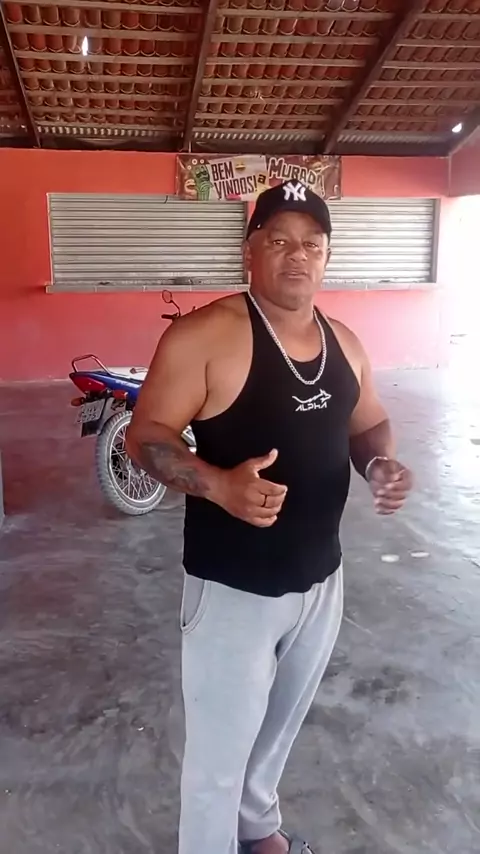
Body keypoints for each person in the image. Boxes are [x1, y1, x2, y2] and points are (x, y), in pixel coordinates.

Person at [126, 180, 413, 854]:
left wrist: (380, 463)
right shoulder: (205, 336)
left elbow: (368, 422)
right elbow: (146, 436)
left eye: (312, 244)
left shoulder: (345, 342)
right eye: (279, 240)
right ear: (249, 250)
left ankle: (256, 829)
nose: (296, 255)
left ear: (327, 256)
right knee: (218, 755)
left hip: (321, 579)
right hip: (234, 586)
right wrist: (218, 485)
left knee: (277, 730)